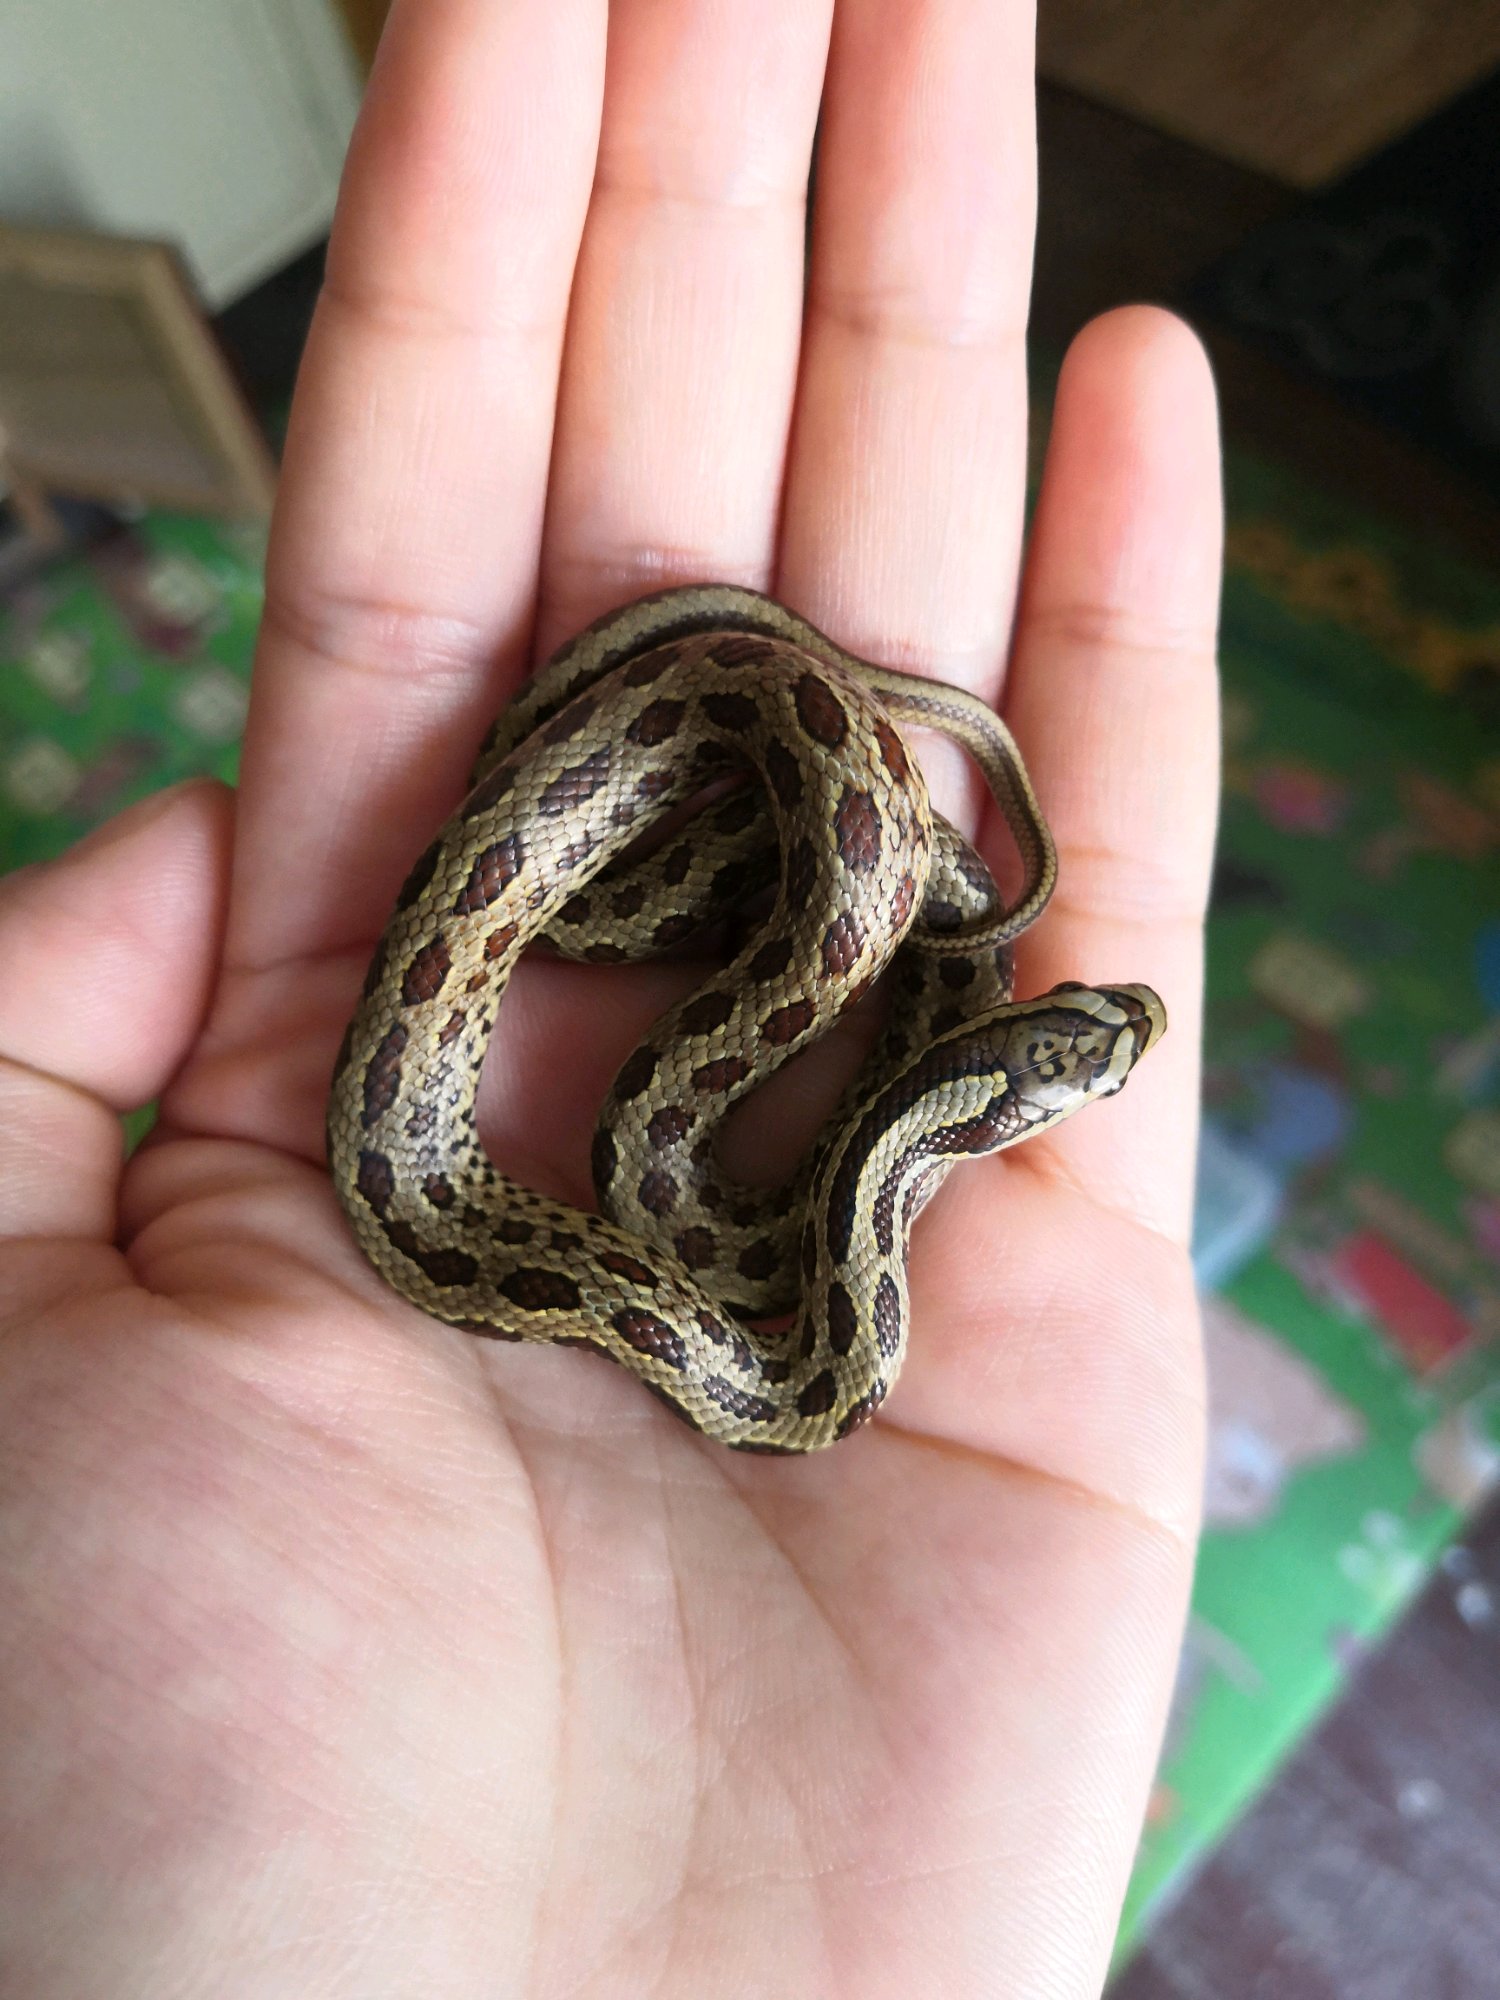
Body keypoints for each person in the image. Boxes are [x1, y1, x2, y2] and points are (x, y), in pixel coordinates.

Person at [0, 2, 1221, 1992]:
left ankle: (747, 761)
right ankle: (735, 744)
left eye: (1065, 1056)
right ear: (994, 1083)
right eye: (1071, 1052)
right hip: (666, 966)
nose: (1084, 1040)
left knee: (715, 1040)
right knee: (724, 1005)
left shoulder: (815, 1324)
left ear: (993, 1084)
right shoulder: (799, 1269)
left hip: (730, 978)